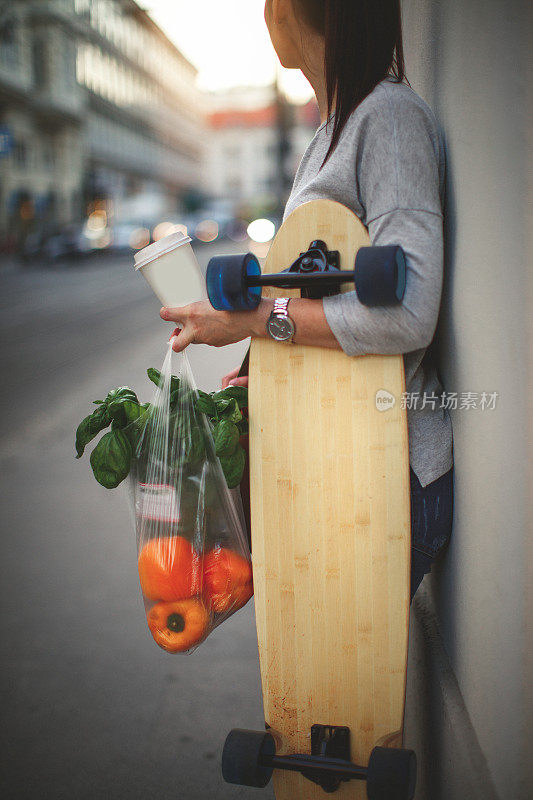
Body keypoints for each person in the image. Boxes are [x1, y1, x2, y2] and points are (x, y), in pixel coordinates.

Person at [160, 0, 454, 602]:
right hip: (337, 459)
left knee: (340, 695)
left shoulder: (388, 118)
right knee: (318, 695)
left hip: (383, 475)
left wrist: (255, 319)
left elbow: (410, 311)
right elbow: (326, 295)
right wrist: (266, 377)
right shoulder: (334, 130)